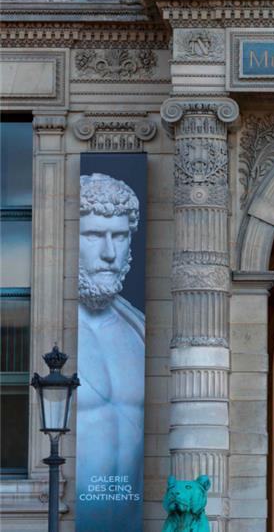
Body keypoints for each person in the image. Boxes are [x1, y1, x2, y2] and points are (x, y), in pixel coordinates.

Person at [76, 173, 144, 515]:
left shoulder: (140, 329)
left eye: (119, 236)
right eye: (93, 236)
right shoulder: (55, 333)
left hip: (131, 516)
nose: (109, 253)